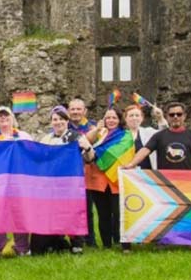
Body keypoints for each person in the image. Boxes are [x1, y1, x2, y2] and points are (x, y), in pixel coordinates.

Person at [31, 105, 94, 255]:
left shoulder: (76, 137)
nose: (58, 122)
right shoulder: (47, 139)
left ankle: (76, 243)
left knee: (71, 212)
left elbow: (90, 159)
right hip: (51, 184)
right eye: (55, 119)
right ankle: (57, 241)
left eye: (61, 119)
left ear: (67, 121)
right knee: (52, 213)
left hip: (70, 183)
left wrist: (88, 148)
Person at [0, 106, 33, 257]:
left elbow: (31, 155)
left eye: (6, 116)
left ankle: (22, 247)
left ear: (12, 119)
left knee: (19, 213)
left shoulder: (23, 136)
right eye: (0, 116)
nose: (3, 119)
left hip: (19, 182)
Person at [84, 108, 130, 252]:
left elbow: (114, 153)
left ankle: (120, 242)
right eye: (107, 118)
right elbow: (84, 142)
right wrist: (96, 130)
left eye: (114, 118)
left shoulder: (126, 135)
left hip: (116, 180)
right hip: (97, 179)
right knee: (103, 214)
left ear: (119, 119)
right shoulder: (100, 134)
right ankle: (106, 244)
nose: (110, 121)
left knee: (118, 214)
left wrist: (95, 154)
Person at [67, 98, 98, 247]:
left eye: (78, 109)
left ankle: (90, 241)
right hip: (67, 176)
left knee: (87, 209)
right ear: (68, 111)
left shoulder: (93, 127)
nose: (75, 112)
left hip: (88, 174)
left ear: (84, 111)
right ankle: (71, 240)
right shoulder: (62, 126)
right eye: (72, 109)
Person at [123, 104, 167, 169]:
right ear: (125, 119)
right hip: (127, 173)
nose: (134, 118)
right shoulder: (120, 135)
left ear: (142, 118)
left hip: (148, 173)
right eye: (131, 116)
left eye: (137, 115)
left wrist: (160, 118)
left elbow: (165, 134)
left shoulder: (149, 132)